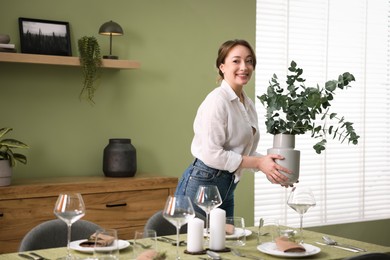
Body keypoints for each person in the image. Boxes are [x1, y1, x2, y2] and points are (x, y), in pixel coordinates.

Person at [174, 39, 292, 218]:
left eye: (249, 61)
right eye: (236, 61)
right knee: (193, 244)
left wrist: (275, 168)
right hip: (202, 184)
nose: (244, 67)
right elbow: (212, 154)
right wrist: (259, 163)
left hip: (228, 185)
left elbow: (245, 152)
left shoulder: (247, 103)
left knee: (225, 243)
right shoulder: (217, 101)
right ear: (222, 66)